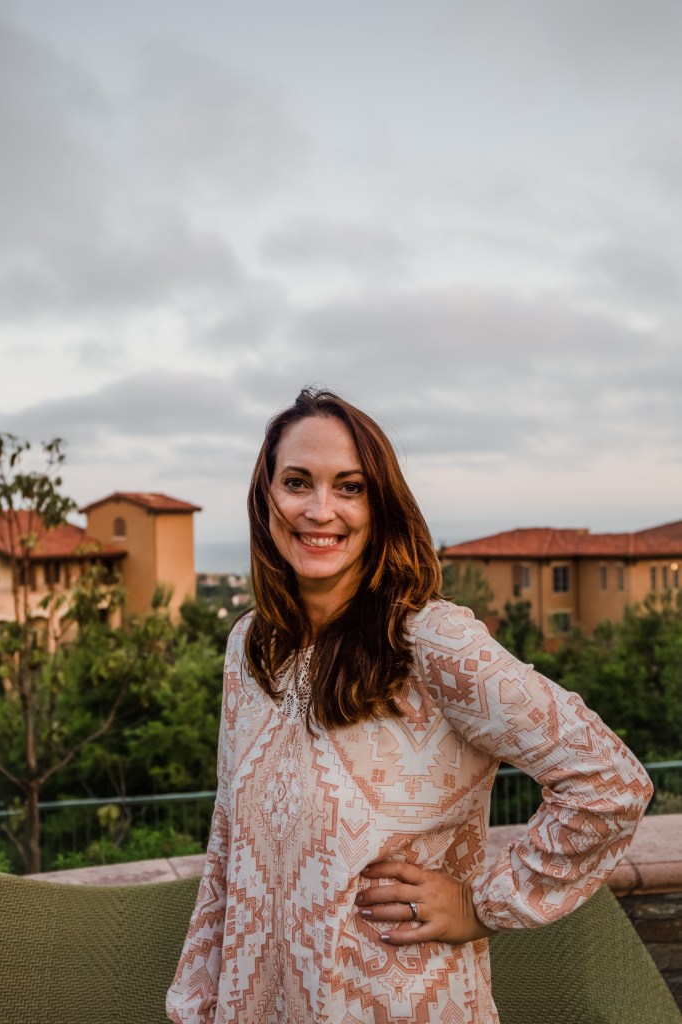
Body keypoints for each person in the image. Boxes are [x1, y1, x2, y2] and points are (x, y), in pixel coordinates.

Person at [167, 388, 653, 1024]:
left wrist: (482, 903)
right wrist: (197, 1003)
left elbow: (610, 783)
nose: (320, 510)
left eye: (350, 487)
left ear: (381, 505)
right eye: (296, 482)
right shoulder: (250, 646)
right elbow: (229, 842)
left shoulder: (431, 643)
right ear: (265, 498)